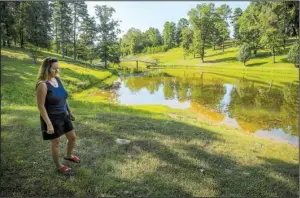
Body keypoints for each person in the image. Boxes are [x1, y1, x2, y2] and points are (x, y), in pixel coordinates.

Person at [36, 57, 80, 174]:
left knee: (72, 137)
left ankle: (69, 155)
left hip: (63, 114)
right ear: (47, 69)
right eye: (54, 69)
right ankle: (59, 166)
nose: (57, 71)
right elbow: (41, 106)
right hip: (52, 118)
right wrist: (48, 124)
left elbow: (63, 97)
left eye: (58, 68)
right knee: (55, 143)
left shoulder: (57, 80)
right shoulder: (43, 85)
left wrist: (69, 112)